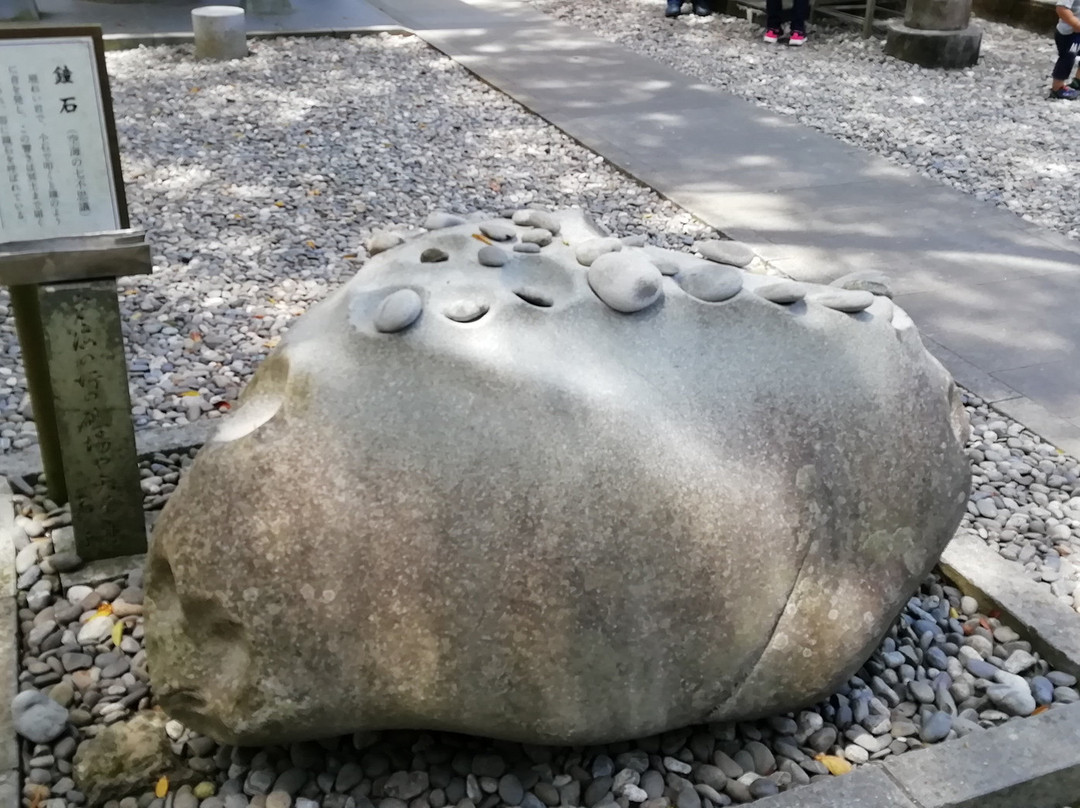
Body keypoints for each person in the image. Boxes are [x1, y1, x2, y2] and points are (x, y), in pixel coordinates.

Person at [1050, 0, 1080, 99]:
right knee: (1067, 58)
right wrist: (1076, 24)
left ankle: (1078, 82)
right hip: (1070, 33)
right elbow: (1061, 8)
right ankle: (1057, 87)